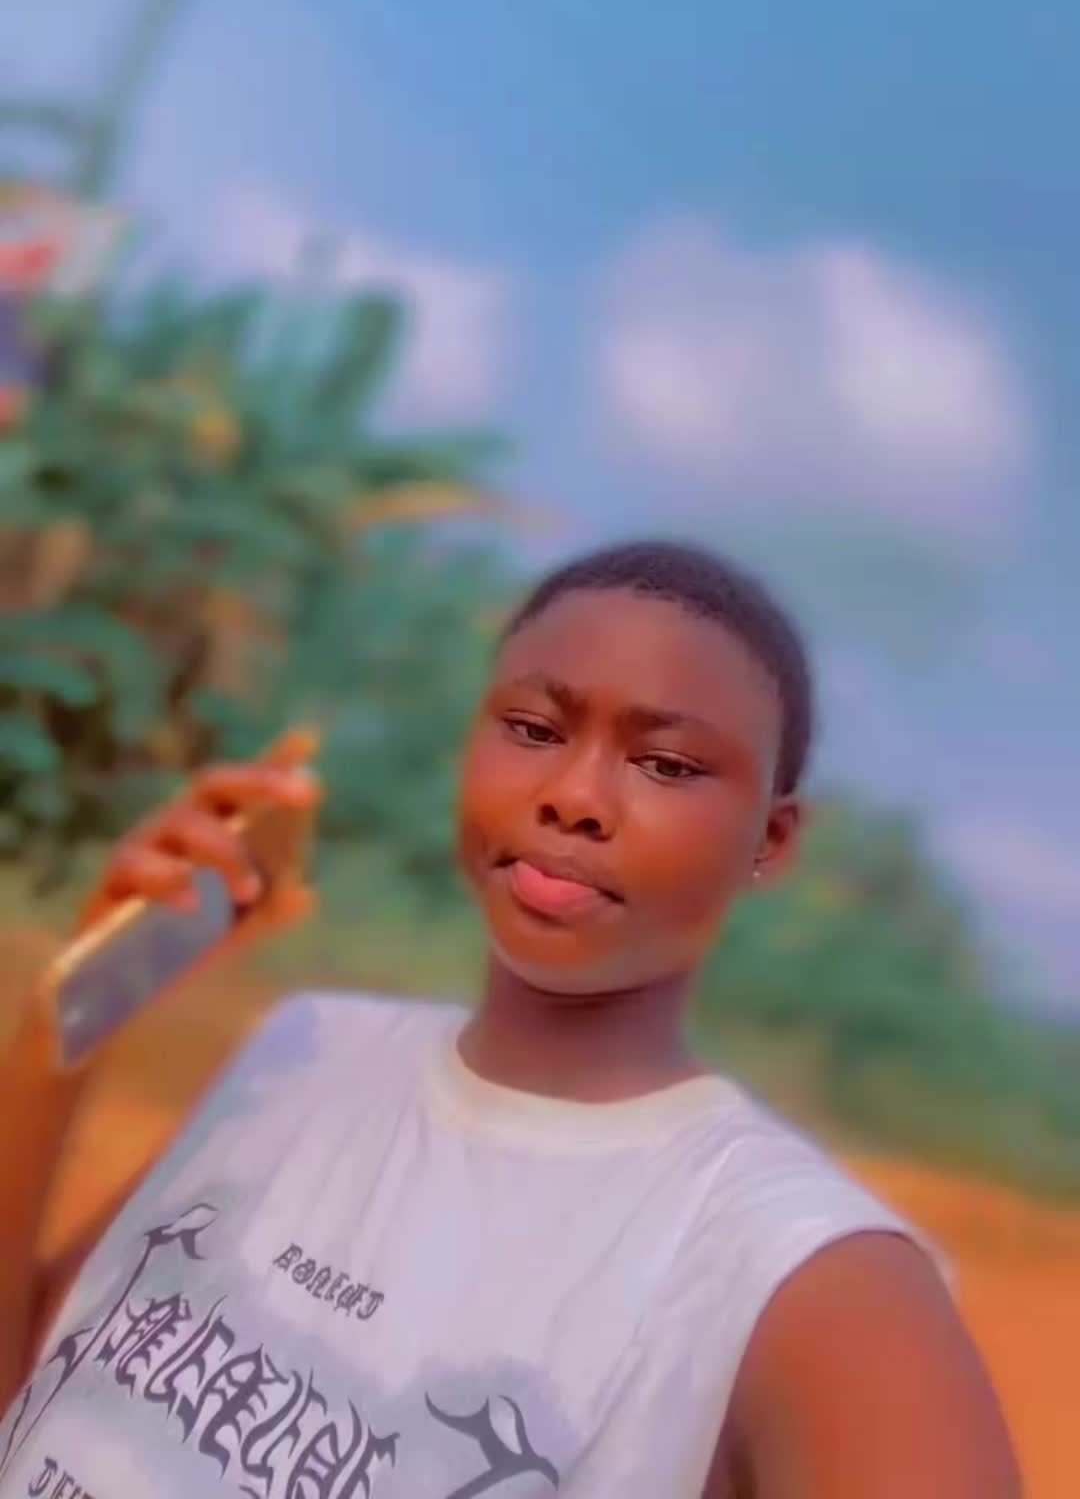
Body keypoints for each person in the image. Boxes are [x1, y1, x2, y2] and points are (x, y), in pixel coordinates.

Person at [0, 540, 1020, 1497]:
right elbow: (33, 1387)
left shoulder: (810, 1278)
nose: (573, 795)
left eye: (666, 764)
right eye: (533, 730)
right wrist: (60, 1034)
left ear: (772, 839)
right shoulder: (304, 1048)